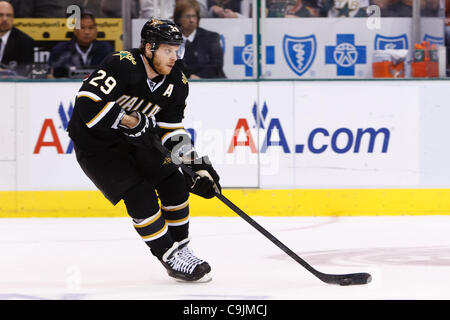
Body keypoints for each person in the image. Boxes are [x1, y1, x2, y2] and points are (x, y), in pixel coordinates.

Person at [67, 18, 221, 282]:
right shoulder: (122, 64)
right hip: (98, 146)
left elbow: (171, 131)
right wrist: (130, 120)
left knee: (174, 179)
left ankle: (182, 248)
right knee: (139, 193)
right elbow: (87, 104)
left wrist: (200, 166)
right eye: (168, 50)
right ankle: (169, 255)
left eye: (177, 50)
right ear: (149, 48)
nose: (175, 57)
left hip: (137, 141)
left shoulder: (177, 83)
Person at [49, 12, 113, 78]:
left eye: (90, 28)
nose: (87, 32)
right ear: (75, 30)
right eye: (82, 28)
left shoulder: (107, 50)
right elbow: (53, 75)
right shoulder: (60, 50)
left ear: (96, 31)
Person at [174, 0, 226, 79]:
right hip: (181, 84)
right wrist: (189, 76)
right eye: (187, 16)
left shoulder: (211, 37)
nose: (192, 20)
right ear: (178, 19)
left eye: (194, 16)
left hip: (210, 83)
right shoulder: (171, 39)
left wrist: (197, 78)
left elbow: (216, 66)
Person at [0, 1, 34, 76]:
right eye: (1, 15)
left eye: (8, 15)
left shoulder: (25, 41)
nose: (5, 19)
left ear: (13, 18)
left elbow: (25, 73)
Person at [139, 0, 208, 19]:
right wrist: (172, 18)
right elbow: (148, 12)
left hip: (189, 31)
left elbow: (202, 12)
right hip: (158, 32)